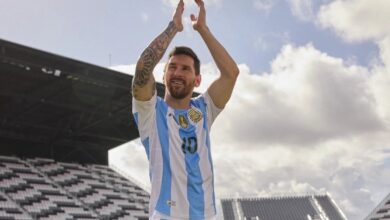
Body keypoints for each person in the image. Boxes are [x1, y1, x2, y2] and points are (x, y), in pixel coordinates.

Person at [132, 0, 239, 219]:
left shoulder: (203, 110)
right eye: (172, 67)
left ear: (197, 79)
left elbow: (231, 74)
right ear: (164, 75)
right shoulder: (150, 113)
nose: (178, 72)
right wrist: (174, 28)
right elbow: (143, 69)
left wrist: (203, 30)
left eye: (185, 69)